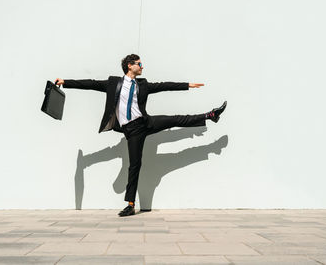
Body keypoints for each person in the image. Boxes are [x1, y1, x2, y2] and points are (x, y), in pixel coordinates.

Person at [55, 54, 227, 217]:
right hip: (132, 130)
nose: (142, 66)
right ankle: (130, 205)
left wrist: (187, 85)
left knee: (175, 119)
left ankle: (210, 116)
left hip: (145, 122)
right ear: (130, 66)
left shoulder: (142, 85)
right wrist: (65, 82)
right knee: (135, 165)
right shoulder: (113, 83)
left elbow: (164, 86)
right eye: (139, 63)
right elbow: (90, 84)